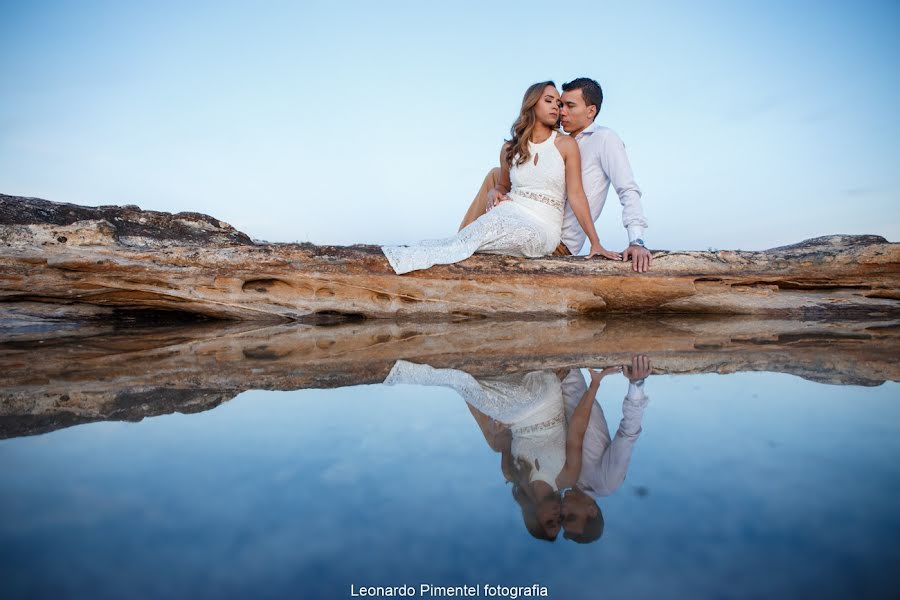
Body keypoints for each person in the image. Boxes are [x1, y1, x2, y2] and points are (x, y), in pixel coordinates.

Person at [381, 81, 620, 275]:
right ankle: (407, 263)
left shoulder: (566, 145)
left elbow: (577, 195)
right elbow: (504, 185)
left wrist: (595, 242)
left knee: (489, 236)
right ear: (531, 104)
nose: (557, 108)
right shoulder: (509, 148)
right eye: (549, 101)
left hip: (543, 226)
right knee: (476, 233)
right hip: (511, 210)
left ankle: (418, 262)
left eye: (558, 103)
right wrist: (494, 191)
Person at [460, 78, 652, 273]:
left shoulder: (604, 139)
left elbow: (627, 189)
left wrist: (637, 240)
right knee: (497, 174)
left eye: (569, 106)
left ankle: (463, 243)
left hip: (558, 239)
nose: (562, 111)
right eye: (560, 105)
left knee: (485, 221)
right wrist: (497, 189)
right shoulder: (559, 141)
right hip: (527, 216)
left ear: (591, 111)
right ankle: (461, 239)